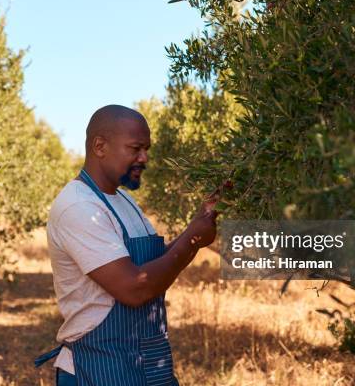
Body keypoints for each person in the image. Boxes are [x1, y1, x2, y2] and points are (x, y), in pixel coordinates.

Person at [34, 105, 219, 386]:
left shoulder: (123, 200)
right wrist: (193, 238)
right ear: (100, 146)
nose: (144, 158)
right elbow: (134, 288)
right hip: (97, 369)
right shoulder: (80, 205)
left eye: (146, 149)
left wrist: (198, 225)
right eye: (135, 148)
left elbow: (152, 266)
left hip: (143, 365)